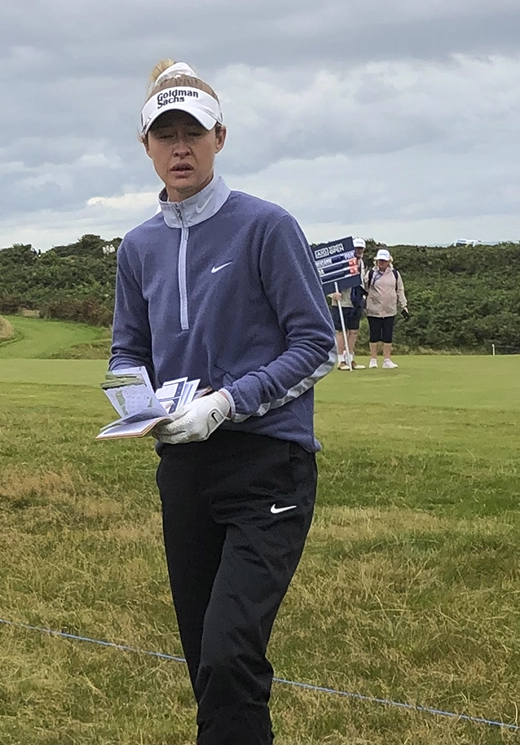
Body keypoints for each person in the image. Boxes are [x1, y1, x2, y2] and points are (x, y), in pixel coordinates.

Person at [109, 60, 337, 745]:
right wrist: (133, 404)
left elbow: (315, 344)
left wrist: (228, 403)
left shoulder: (265, 226)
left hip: (268, 462)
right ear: (145, 146)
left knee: (231, 651)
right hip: (183, 468)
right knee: (206, 663)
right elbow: (127, 349)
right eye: (165, 135)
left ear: (220, 138)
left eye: (193, 134)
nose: (180, 148)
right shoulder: (138, 246)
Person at [363, 249, 409, 368]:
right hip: (374, 309)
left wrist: (404, 305)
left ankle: (387, 360)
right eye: (379, 260)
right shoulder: (370, 274)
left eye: (384, 260)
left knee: (387, 335)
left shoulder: (395, 274)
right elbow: (364, 289)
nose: (381, 263)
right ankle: (373, 359)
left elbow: (400, 290)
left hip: (390, 309)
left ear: (389, 261)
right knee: (374, 335)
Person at [326, 237, 366, 370]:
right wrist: (332, 294)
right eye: (356, 249)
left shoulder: (361, 264)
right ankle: (341, 361)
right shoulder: (341, 262)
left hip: (355, 303)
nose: (358, 251)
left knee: (353, 331)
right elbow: (327, 281)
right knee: (341, 332)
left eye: (361, 249)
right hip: (340, 303)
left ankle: (350, 359)